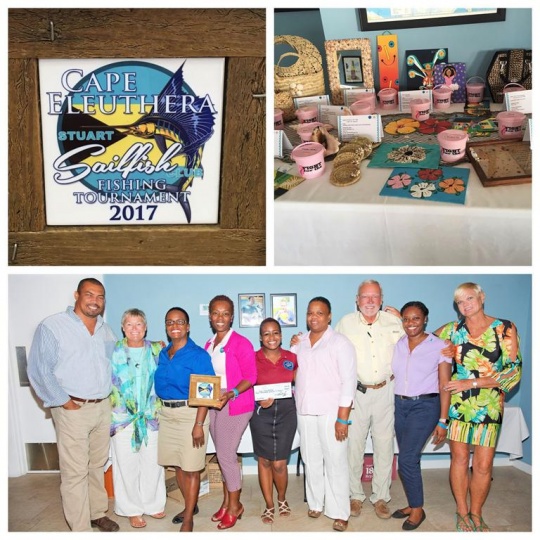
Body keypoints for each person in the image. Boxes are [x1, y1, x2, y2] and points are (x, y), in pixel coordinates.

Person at [27, 278, 119, 532]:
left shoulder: (106, 330)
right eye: (89, 294)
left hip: (102, 407)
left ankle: (97, 513)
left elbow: (114, 366)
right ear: (77, 295)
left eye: (100, 297)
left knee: (96, 464)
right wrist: (66, 403)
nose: (95, 301)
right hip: (72, 408)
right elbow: (39, 370)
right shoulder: (53, 325)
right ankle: (80, 529)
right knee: (75, 471)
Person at [435, 283, 522, 532]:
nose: (466, 305)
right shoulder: (453, 330)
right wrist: (402, 319)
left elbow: (513, 371)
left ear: (482, 297)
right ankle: (462, 511)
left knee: (483, 465)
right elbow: (421, 338)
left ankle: (476, 513)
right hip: (458, 405)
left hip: (490, 405)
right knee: (460, 459)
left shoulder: (505, 328)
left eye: (470, 298)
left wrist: (471, 382)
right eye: (460, 302)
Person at [334, 279, 404, 520]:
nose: (370, 301)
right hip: (356, 393)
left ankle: (381, 497)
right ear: (357, 299)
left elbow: (414, 346)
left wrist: (403, 318)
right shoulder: (345, 323)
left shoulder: (395, 322)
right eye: (365, 296)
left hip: (386, 391)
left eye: (375, 296)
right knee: (353, 447)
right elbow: (330, 352)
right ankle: (354, 496)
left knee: (384, 446)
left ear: (381, 298)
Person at [292, 297, 357, 533]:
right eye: (310, 313)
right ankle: (316, 502)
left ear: (329, 316)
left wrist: (343, 418)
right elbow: (289, 370)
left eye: (320, 313)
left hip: (332, 412)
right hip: (305, 410)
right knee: (311, 459)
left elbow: (349, 381)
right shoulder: (300, 342)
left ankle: (340, 511)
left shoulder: (340, 342)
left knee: (336, 462)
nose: (314, 317)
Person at [390, 301, 452, 531]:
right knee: (409, 458)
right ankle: (412, 502)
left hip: (425, 406)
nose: (411, 323)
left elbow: (445, 384)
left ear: (425, 319)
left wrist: (443, 420)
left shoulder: (440, 346)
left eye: (416, 318)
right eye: (406, 319)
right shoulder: (399, 343)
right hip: (400, 405)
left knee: (405, 459)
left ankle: (418, 509)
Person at [154, 307, 215, 532]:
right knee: (179, 465)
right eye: (170, 322)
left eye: (180, 322)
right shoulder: (163, 352)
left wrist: (198, 424)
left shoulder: (198, 355)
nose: (175, 326)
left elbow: (206, 393)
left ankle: (188, 516)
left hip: (191, 415)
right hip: (167, 415)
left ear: (188, 326)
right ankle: (192, 505)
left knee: (191, 468)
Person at [109, 308, 166, 528]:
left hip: (151, 417)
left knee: (153, 463)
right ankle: (131, 509)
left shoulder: (157, 349)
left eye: (139, 324)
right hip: (123, 419)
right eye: (129, 324)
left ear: (146, 327)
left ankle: (153, 504)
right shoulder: (113, 351)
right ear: (123, 327)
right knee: (126, 465)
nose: (134, 329)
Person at [204, 295, 257, 530]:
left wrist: (231, 393)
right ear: (210, 315)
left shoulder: (241, 343)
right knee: (222, 453)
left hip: (235, 401)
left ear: (232, 316)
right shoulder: (209, 343)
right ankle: (226, 503)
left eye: (225, 313)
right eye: (216, 313)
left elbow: (251, 377)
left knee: (226, 455)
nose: (220, 318)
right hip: (215, 401)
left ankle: (236, 506)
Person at [249, 318, 298, 524]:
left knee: (279, 463)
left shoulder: (292, 357)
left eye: (275, 333)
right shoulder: (252, 358)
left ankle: (282, 498)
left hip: (287, 412)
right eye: (267, 334)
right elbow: (244, 384)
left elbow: (303, 380)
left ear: (281, 335)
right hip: (261, 413)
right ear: (260, 337)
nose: (272, 337)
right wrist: (257, 397)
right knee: (264, 460)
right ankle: (269, 505)